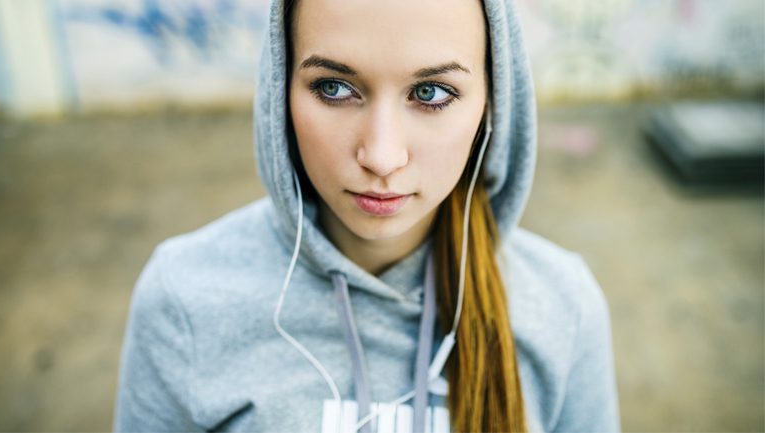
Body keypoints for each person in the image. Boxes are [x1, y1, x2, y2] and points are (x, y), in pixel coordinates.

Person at [113, 0, 620, 431]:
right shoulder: (184, 299)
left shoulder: (563, 306)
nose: (381, 156)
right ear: (280, 90)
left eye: (430, 93)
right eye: (334, 87)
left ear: (491, 104)